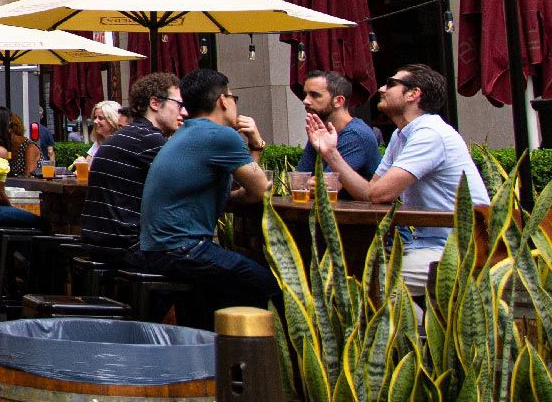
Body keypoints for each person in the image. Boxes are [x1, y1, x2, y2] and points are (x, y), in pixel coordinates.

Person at [306, 64, 489, 291]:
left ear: (413, 94)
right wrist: (330, 153)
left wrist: (333, 156)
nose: (381, 89)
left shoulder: (429, 134)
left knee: (368, 285)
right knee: (352, 277)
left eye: (391, 84)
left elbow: (378, 194)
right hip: (425, 244)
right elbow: (370, 192)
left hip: (460, 247)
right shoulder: (401, 135)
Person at [132, 69, 278, 329]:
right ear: (223, 100)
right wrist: (257, 144)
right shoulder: (219, 135)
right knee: (267, 285)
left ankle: (213, 344)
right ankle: (253, 350)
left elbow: (234, 191)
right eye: (233, 98)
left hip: (158, 249)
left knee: (221, 292)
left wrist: (248, 175)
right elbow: (261, 190)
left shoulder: (185, 133)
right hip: (183, 250)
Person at [78, 74, 183, 257]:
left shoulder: (123, 136)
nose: (184, 112)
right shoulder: (149, 139)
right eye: (179, 104)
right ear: (155, 103)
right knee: (231, 266)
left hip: (96, 241)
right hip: (128, 247)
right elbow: (185, 187)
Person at [294, 70, 380, 180]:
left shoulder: (355, 135)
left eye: (314, 95)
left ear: (338, 101)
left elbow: (328, 183)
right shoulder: (320, 131)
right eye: (305, 95)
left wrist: (310, 183)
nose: (305, 101)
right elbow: (299, 179)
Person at [78, 99, 125, 164]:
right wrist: (82, 163)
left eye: (100, 118)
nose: (95, 121)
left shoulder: (122, 144)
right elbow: (88, 163)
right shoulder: (99, 142)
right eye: (95, 117)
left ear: (113, 120)